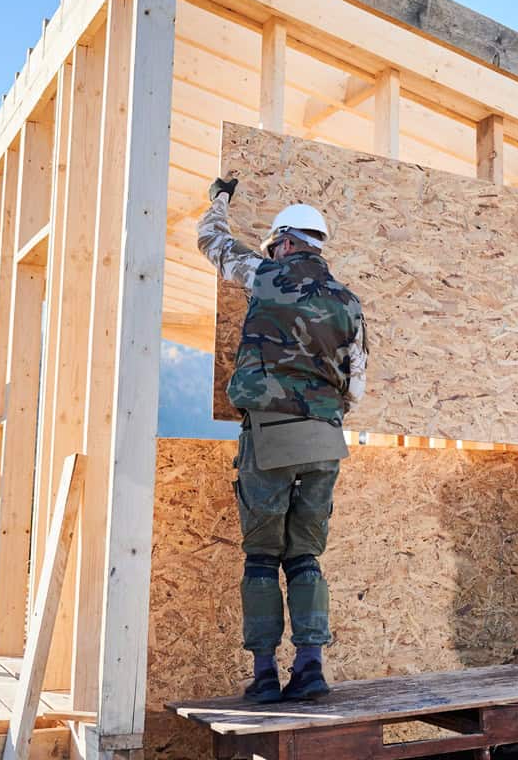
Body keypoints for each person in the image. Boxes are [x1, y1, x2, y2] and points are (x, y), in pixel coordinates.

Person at [197, 177, 367, 703]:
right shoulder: (349, 302)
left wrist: (219, 200)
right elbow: (356, 385)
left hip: (269, 437)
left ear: (287, 242)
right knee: (306, 558)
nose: (276, 250)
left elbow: (211, 242)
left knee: (261, 557)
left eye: (278, 243)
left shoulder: (264, 275)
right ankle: (311, 668)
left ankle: (266, 676)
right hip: (324, 439)